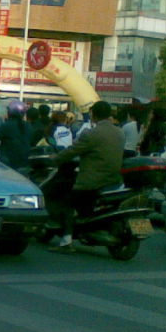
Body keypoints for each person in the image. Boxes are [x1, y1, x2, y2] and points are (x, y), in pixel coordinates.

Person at [49, 100, 124, 253]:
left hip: (91, 181)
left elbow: (73, 151)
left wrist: (55, 159)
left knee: (67, 203)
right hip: (113, 180)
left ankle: (66, 241)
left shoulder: (92, 134)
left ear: (93, 115)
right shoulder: (119, 133)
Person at [0, 100, 31, 171]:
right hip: (24, 162)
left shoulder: (7, 125)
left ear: (10, 112)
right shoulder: (28, 126)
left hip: (8, 163)